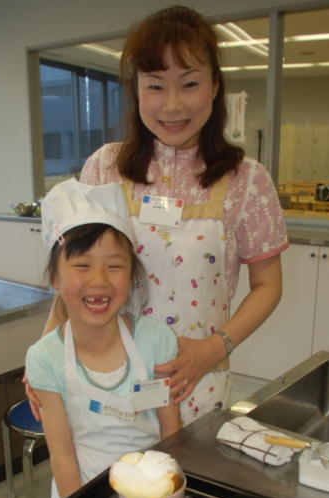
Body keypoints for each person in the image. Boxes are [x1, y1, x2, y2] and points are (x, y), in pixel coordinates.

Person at [32, 4, 288, 426]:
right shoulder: (104, 168)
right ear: (136, 90)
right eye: (155, 86)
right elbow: (74, 276)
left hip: (192, 383)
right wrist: (43, 357)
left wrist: (213, 349)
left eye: (189, 84)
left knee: (182, 468)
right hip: (102, 384)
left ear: (214, 85)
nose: (172, 105)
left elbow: (268, 285)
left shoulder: (247, 181)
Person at [25, 179, 180, 498]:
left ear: (132, 275)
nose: (99, 280)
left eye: (114, 266)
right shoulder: (45, 358)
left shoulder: (155, 340)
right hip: (80, 494)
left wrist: (168, 495)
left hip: (151, 492)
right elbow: (62, 455)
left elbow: (170, 432)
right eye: (82, 265)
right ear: (55, 277)